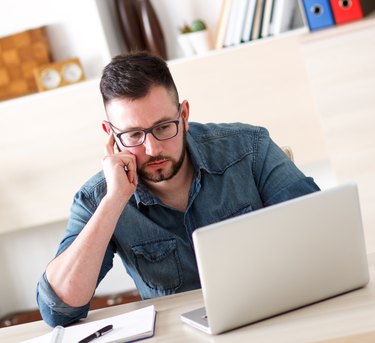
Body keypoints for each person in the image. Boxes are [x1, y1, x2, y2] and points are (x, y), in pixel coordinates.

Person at [36, 51, 320, 327]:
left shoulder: (250, 149)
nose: (153, 148)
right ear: (111, 135)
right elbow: (57, 309)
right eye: (134, 134)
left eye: (163, 127)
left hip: (273, 323)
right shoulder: (97, 198)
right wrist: (113, 202)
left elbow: (322, 234)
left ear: (183, 114)